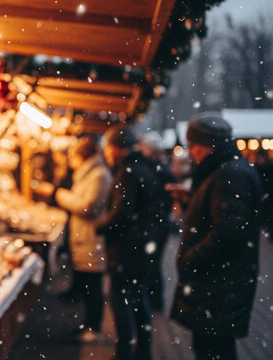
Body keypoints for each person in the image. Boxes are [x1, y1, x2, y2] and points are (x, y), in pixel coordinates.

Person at [170, 113, 262, 360]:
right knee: (212, 347)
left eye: (192, 147)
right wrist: (191, 202)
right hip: (219, 284)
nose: (191, 154)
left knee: (213, 350)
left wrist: (191, 259)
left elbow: (228, 230)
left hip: (219, 284)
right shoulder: (227, 169)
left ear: (204, 145)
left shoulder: (229, 173)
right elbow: (221, 218)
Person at [98, 126, 165, 360]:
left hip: (127, 249)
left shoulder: (127, 172)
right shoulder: (143, 167)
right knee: (138, 297)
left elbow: (123, 213)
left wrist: (100, 226)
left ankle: (125, 350)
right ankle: (142, 349)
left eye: (108, 147)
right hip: (142, 245)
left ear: (117, 149)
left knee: (122, 300)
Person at [54, 137, 112, 342]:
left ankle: (93, 329)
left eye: (73, 156)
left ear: (83, 157)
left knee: (92, 286)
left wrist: (62, 196)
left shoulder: (98, 175)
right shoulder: (91, 174)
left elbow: (88, 206)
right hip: (86, 237)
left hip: (91, 238)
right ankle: (89, 326)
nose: (71, 160)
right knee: (89, 284)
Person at [139, 132, 175, 311]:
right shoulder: (160, 168)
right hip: (158, 223)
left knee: (153, 264)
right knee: (153, 264)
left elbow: (160, 199)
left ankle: (155, 303)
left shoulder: (158, 169)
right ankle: (155, 302)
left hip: (157, 224)